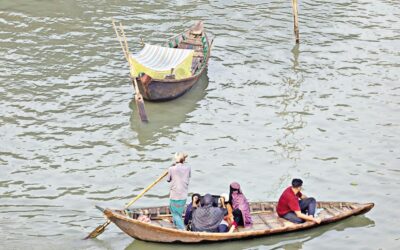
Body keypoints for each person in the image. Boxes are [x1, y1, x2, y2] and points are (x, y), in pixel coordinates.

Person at [167, 152, 191, 230]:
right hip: (183, 195)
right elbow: (188, 176)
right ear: (184, 160)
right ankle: (176, 225)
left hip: (174, 195)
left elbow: (168, 179)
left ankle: (182, 230)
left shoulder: (171, 169)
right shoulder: (188, 168)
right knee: (179, 214)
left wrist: (171, 168)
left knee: (175, 214)